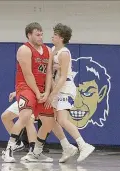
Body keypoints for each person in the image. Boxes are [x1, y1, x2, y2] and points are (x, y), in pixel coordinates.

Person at [2, 22, 57, 163]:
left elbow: (49, 72)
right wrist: (38, 93)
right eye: (37, 34)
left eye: (41, 34)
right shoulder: (24, 50)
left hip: (42, 89)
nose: (40, 37)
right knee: (25, 116)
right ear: (29, 35)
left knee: (49, 122)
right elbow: (28, 75)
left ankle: (36, 152)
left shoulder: (48, 50)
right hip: (26, 87)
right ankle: (9, 149)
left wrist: (47, 92)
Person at [45, 23, 95, 162]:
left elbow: (63, 76)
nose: (52, 36)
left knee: (62, 119)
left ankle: (83, 145)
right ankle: (66, 146)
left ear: (61, 37)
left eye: (55, 34)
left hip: (65, 87)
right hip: (57, 87)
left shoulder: (64, 53)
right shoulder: (53, 50)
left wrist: (53, 93)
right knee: (50, 120)